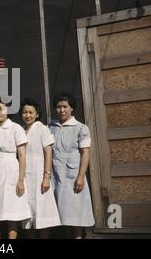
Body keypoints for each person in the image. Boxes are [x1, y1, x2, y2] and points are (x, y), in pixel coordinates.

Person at [49, 92, 95, 239]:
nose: (61, 110)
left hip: (73, 175)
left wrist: (81, 176)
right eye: (58, 107)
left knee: (76, 210)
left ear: (71, 108)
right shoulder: (50, 127)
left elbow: (85, 153)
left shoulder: (81, 128)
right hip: (55, 174)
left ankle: (78, 236)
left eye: (65, 106)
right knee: (61, 211)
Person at [0, 100, 31, 239]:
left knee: (11, 213)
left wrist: (21, 180)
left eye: (1, 109)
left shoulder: (16, 128)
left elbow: (22, 156)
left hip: (11, 170)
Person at [19, 99, 60, 238]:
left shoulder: (42, 128)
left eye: (31, 112)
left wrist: (46, 177)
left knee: (42, 214)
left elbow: (48, 153)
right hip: (24, 176)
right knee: (27, 215)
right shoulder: (19, 130)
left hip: (39, 175)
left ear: (37, 114)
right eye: (25, 112)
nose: (28, 115)